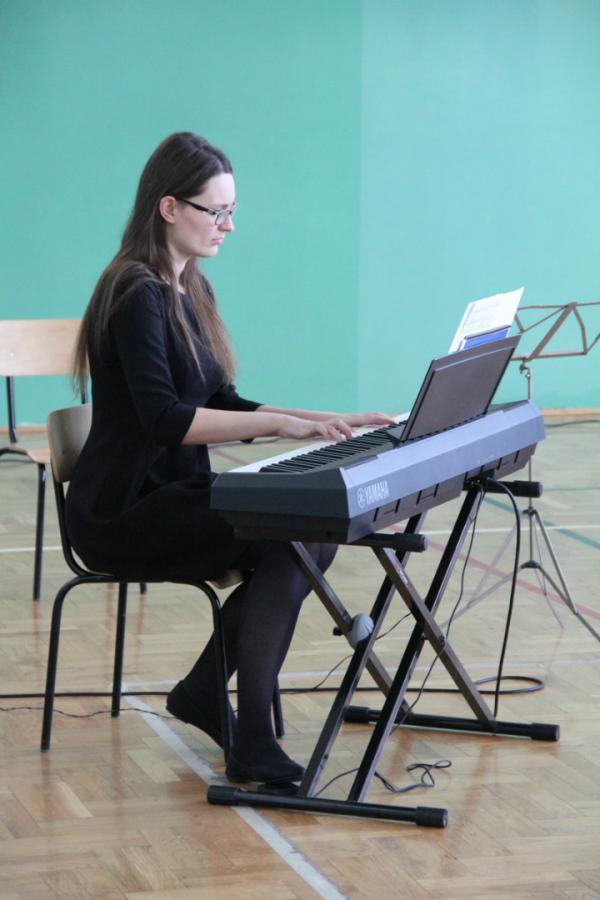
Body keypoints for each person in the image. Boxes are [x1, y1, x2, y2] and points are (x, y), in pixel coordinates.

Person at [69, 132, 393, 785]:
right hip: (122, 510)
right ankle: (246, 733)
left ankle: (208, 696)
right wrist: (279, 424)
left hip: (175, 494)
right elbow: (165, 420)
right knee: (295, 537)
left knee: (307, 538)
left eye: (231, 211)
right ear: (169, 208)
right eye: (216, 211)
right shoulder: (134, 292)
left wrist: (322, 419)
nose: (228, 225)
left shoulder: (192, 289)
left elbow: (221, 400)